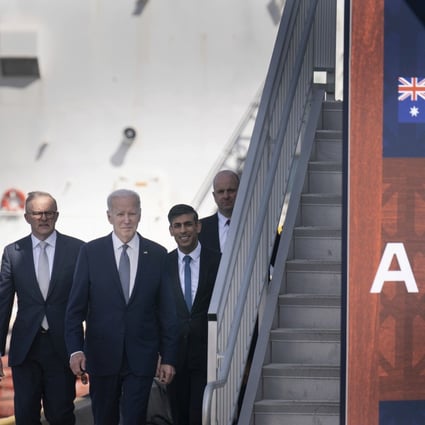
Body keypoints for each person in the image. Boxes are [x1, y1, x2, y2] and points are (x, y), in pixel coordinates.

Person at [65, 189, 178, 425]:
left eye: (132, 213)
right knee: (104, 418)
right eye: (120, 214)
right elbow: (75, 309)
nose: (126, 220)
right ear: (109, 216)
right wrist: (76, 350)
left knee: (134, 419)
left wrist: (168, 357)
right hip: (101, 355)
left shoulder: (157, 254)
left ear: (139, 215)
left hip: (142, 357)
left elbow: (167, 311)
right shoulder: (90, 252)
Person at [0, 191, 84, 425]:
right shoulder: (12, 252)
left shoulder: (78, 250)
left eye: (49, 213)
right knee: (26, 416)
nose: (43, 218)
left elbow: (89, 302)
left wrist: (85, 348)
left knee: (61, 415)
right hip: (26, 349)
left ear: (57, 216)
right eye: (37, 213)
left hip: (62, 347)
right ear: (27, 217)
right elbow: (3, 303)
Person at [165, 204, 221, 425]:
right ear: (171, 230)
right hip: (174, 358)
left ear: (198, 226)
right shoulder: (163, 263)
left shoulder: (218, 261)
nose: (183, 230)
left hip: (207, 354)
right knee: (178, 417)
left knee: (201, 417)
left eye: (188, 224)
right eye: (177, 226)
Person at [198, 170, 240, 253]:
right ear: (214, 196)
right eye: (221, 192)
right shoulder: (200, 229)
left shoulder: (255, 222)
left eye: (231, 190)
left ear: (240, 191)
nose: (226, 196)